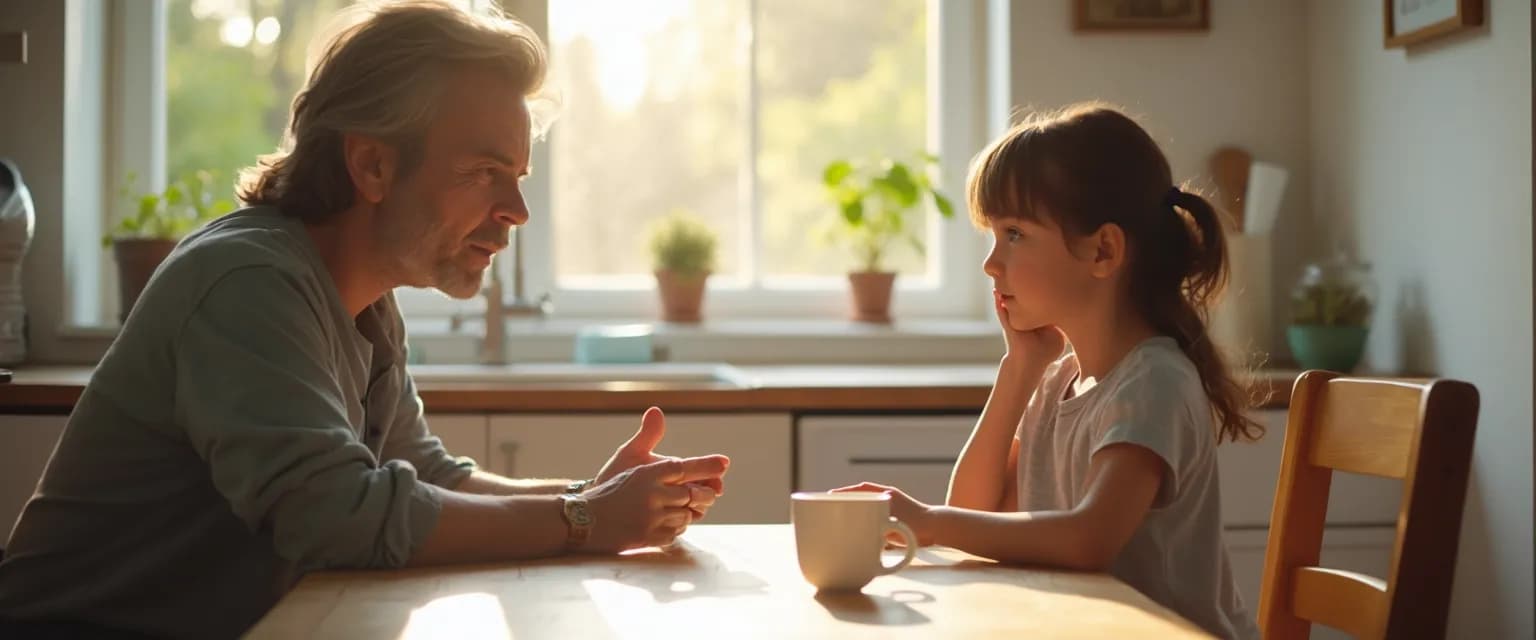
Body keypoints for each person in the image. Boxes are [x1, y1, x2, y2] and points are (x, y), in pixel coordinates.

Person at [0, 2, 728, 638]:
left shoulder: (363, 298)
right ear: (372, 166)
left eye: (518, 176)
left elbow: (421, 473)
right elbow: (336, 516)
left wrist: (583, 499)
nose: (517, 211)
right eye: (483, 172)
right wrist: (586, 522)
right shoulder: (247, 285)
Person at [835, 103, 1262, 639]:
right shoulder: (1060, 382)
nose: (991, 263)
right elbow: (973, 508)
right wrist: (1020, 369)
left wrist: (925, 520)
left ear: (1103, 250)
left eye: (1013, 234)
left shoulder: (1153, 382)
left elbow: (1088, 538)